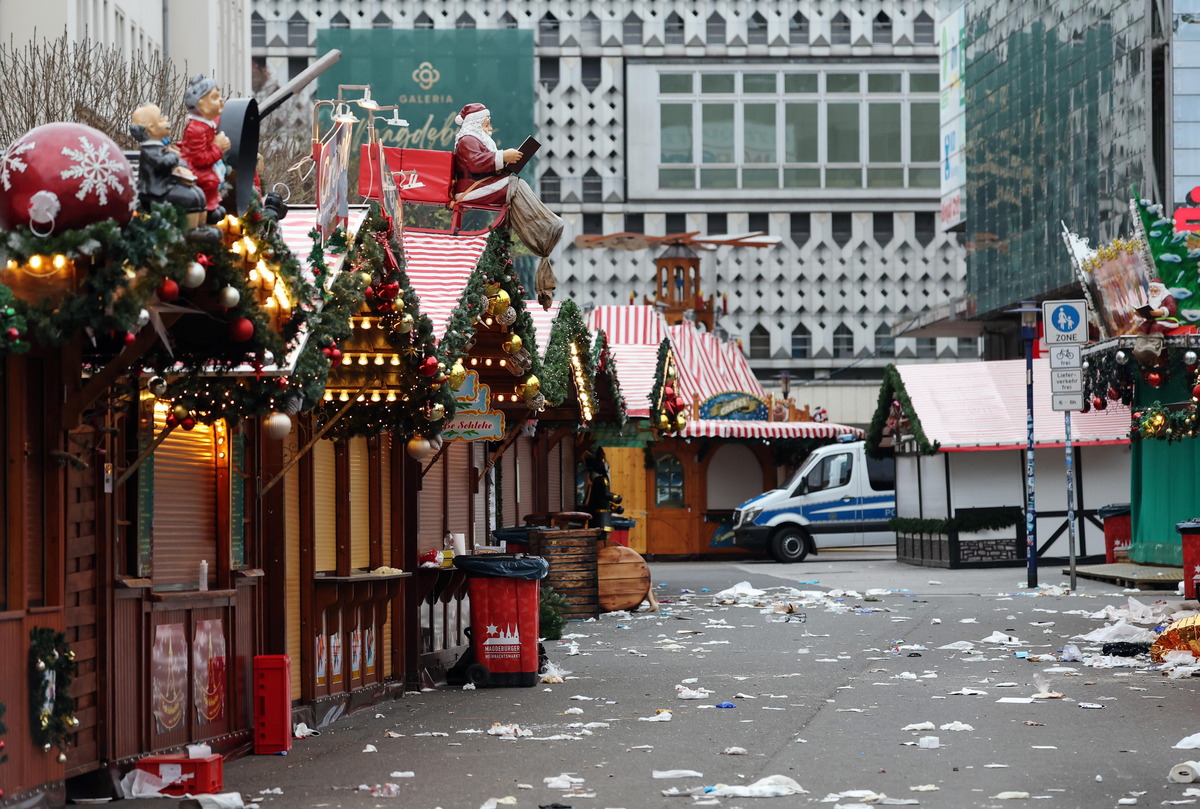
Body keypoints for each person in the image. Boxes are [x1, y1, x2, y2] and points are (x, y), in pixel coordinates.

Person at [129, 103, 215, 241]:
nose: (166, 119)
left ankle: (200, 226)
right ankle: (190, 230)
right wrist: (175, 156)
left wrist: (179, 163)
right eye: (161, 118)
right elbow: (162, 163)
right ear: (151, 128)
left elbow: (175, 162)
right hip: (154, 193)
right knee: (189, 197)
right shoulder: (149, 150)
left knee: (198, 193)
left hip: (166, 187)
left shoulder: (162, 148)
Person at [180, 74, 231, 223]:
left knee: (214, 180)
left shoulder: (206, 125)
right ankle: (204, 211)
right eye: (214, 97)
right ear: (201, 104)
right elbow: (199, 159)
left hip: (205, 168)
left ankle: (209, 207)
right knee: (209, 181)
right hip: (194, 170)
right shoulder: (196, 129)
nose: (221, 100)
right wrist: (218, 147)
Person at [451, 102, 522, 206]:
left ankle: (537, 219)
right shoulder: (467, 140)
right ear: (475, 125)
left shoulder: (476, 141)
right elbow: (476, 163)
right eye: (486, 125)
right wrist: (502, 156)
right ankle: (541, 219)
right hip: (471, 188)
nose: (490, 129)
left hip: (482, 183)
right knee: (516, 186)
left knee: (516, 184)